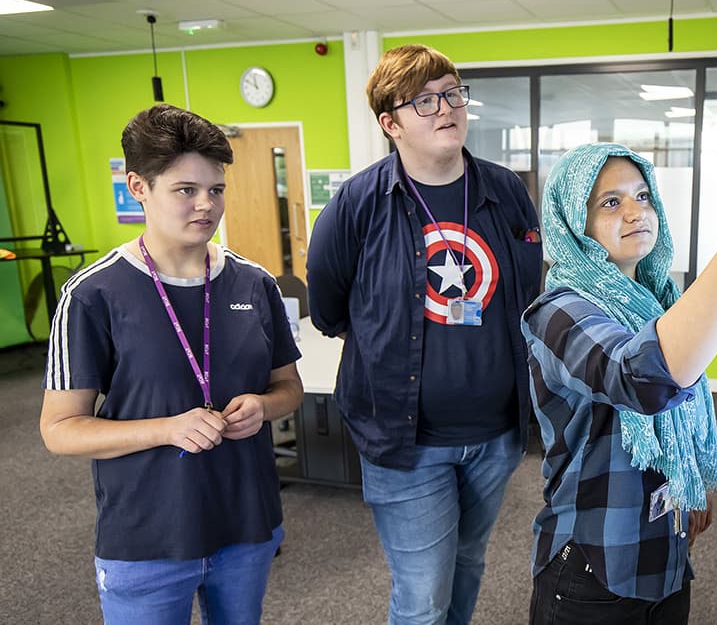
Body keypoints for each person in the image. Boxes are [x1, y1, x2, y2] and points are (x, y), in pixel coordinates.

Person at [522, 109, 717, 624]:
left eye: (643, 196)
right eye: (610, 203)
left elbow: (678, 396)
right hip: (594, 566)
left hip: (663, 554)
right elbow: (641, 379)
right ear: (575, 221)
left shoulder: (656, 298)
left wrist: (687, 481)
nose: (636, 211)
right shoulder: (557, 310)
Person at [306, 44, 543, 625]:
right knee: (422, 595)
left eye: (453, 93)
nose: (446, 108)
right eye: (424, 100)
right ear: (391, 124)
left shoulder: (506, 191)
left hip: (495, 435)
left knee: (467, 564)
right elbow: (330, 309)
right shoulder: (357, 203)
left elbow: (526, 292)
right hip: (405, 440)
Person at [39, 104, 304, 624]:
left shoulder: (254, 284)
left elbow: (288, 388)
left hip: (245, 523)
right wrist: (167, 429)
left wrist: (263, 407)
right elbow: (60, 430)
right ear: (139, 186)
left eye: (216, 190)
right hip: (147, 536)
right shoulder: (93, 293)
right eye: (186, 190)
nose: (206, 204)